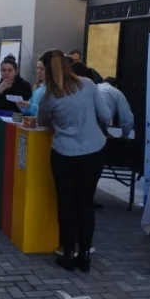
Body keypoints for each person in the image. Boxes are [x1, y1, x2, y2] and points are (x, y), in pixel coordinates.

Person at [38, 49, 111, 273]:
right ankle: (86, 254)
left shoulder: (49, 95)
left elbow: (42, 120)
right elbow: (106, 115)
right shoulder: (88, 85)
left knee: (66, 204)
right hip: (94, 150)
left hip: (64, 153)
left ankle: (68, 252)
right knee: (86, 202)